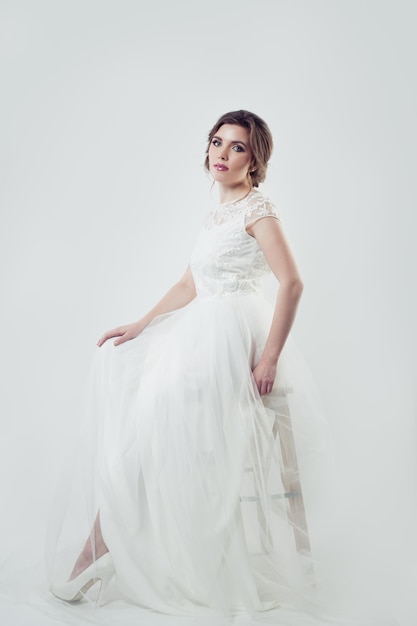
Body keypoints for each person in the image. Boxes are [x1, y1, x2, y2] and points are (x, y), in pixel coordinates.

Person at [48, 110, 328, 619]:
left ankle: (102, 547)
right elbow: (189, 283)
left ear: (255, 158)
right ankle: (104, 543)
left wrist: (269, 358)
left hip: (233, 335)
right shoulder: (213, 214)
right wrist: (141, 323)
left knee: (155, 424)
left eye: (236, 147)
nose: (221, 154)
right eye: (216, 142)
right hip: (201, 331)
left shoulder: (258, 209)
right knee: (142, 421)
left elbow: (293, 283)